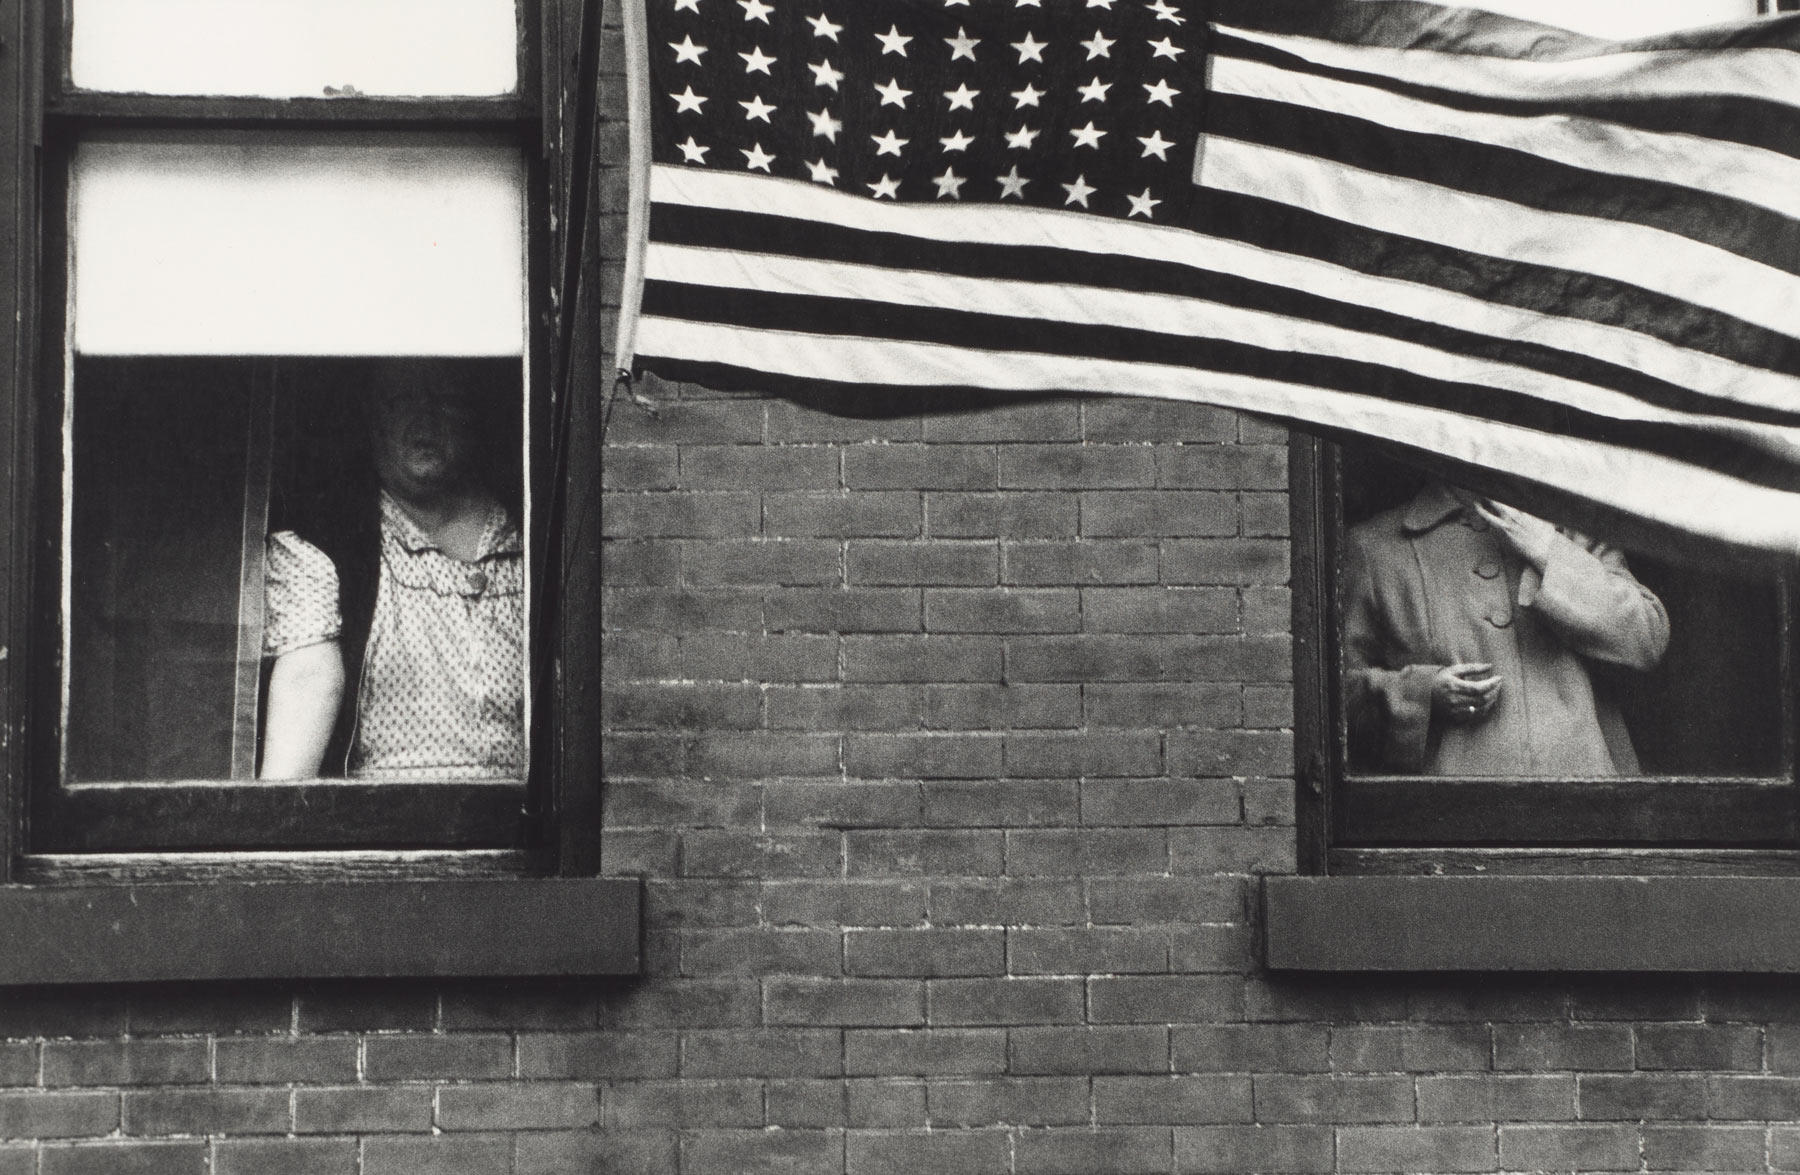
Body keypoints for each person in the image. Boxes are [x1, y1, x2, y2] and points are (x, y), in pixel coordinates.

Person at [257, 361, 525, 780]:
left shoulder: (530, 538)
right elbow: (307, 680)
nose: (425, 418)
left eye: (446, 401)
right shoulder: (328, 544)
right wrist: (272, 831)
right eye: (402, 399)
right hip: (387, 830)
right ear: (371, 414)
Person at [1342, 480, 1669, 776]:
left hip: (1584, 805)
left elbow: (1647, 637)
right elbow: (1333, 694)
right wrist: (1422, 694)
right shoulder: (1375, 547)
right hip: (1453, 815)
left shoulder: (1574, 529)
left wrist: (1549, 550)